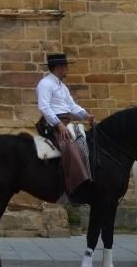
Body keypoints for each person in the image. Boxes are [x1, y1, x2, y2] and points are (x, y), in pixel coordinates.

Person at [35, 53, 93, 196]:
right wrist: (59, 125)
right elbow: (44, 107)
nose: (67, 69)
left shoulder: (62, 86)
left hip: (66, 122)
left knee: (86, 141)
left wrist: (85, 115)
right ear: (59, 67)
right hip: (54, 124)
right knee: (71, 147)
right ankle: (74, 187)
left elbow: (72, 106)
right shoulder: (45, 84)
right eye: (65, 66)